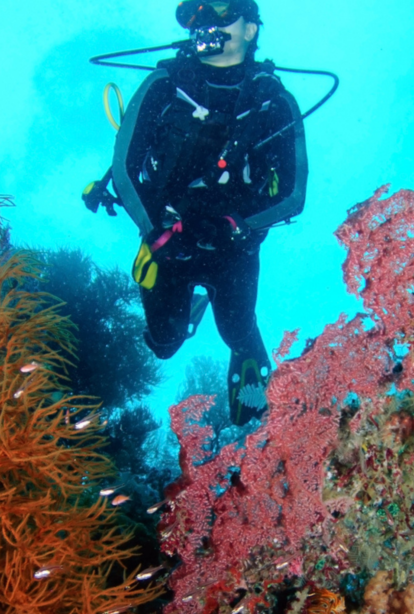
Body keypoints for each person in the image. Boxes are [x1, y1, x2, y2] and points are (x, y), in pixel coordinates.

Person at [83, 0, 307, 425]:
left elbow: (295, 195)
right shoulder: (163, 85)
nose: (205, 23)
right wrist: (156, 233)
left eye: (220, 12)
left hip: (235, 247)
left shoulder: (274, 101)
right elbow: (124, 170)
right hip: (168, 239)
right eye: (195, 15)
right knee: (163, 343)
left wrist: (235, 226)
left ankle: (257, 416)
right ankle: (188, 310)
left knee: (238, 332)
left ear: (251, 29)